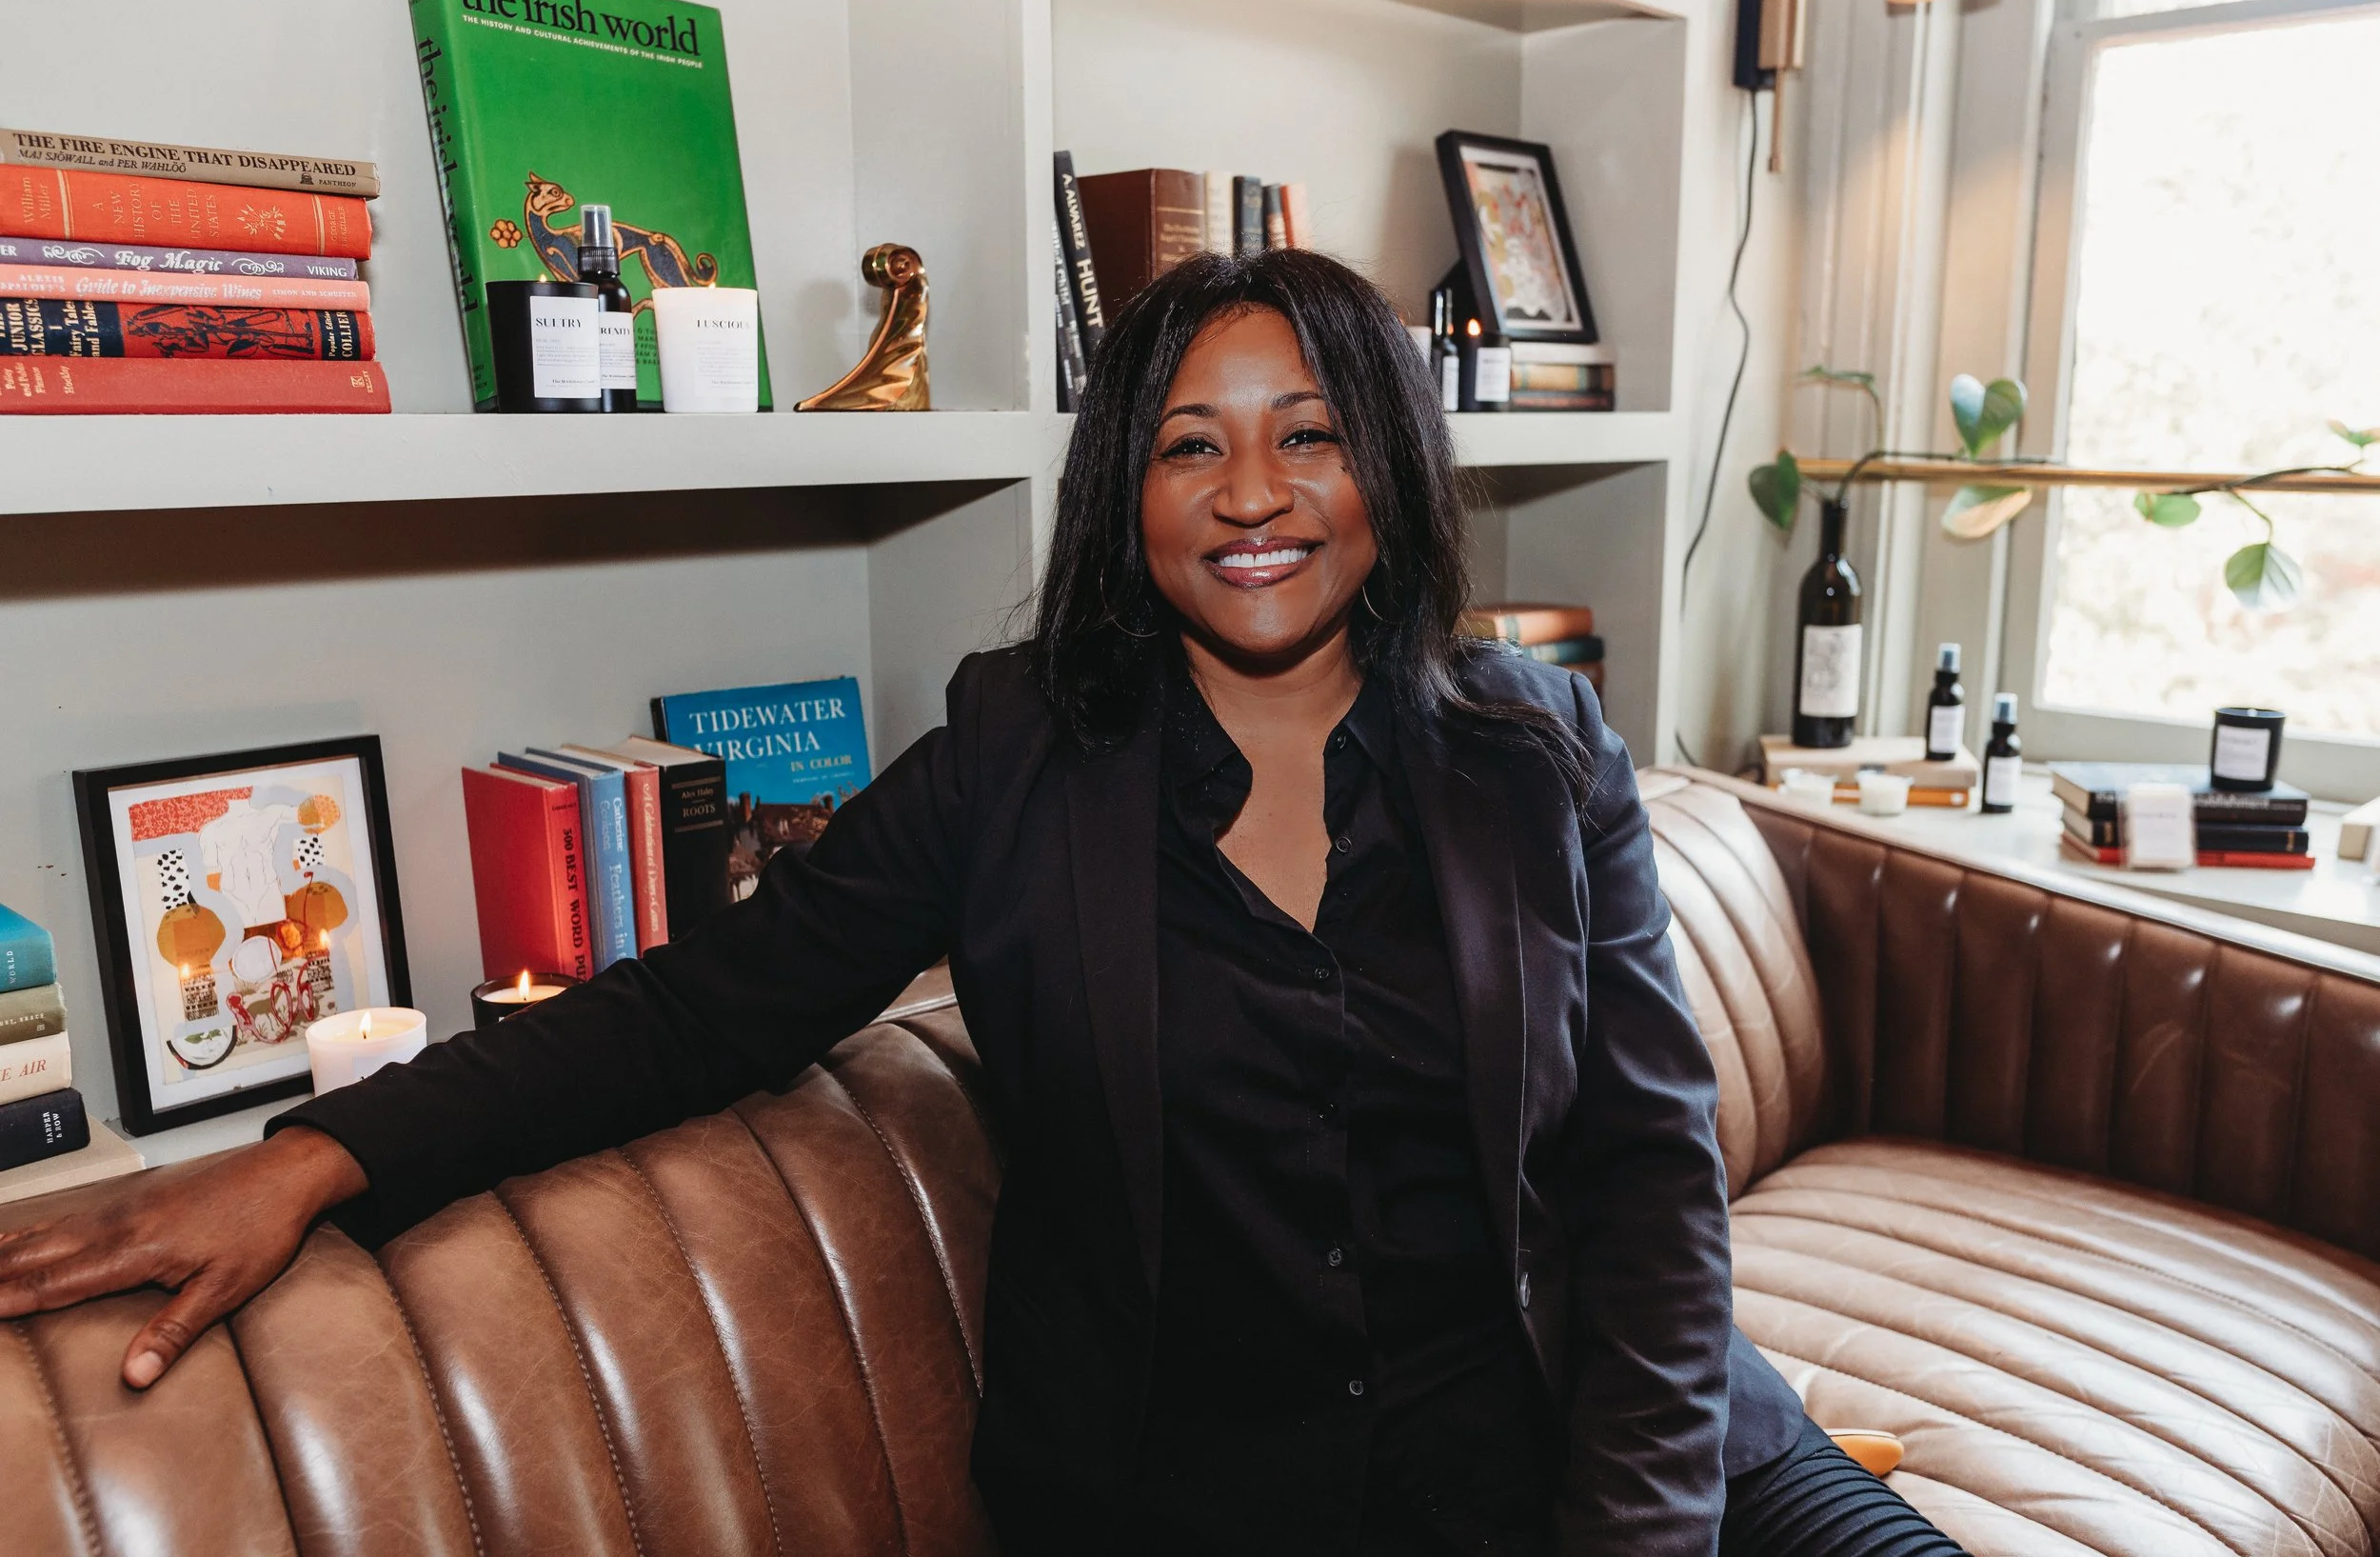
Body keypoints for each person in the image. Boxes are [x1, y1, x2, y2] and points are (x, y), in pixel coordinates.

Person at [0, 250, 1961, 1557]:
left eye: (1308, 433)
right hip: (1197, 1501)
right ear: (1123, 494)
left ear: (1389, 472)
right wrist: (320, 1157)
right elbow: (702, 1010)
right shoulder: (1020, 760)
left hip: (1582, 1444)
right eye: (1188, 442)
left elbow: (1639, 1180)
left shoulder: (1533, 755)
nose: (1251, 490)